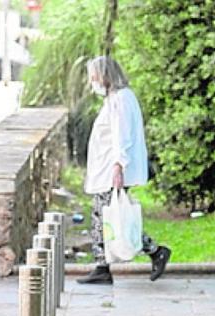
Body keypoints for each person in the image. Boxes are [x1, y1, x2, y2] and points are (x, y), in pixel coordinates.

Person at [78, 56, 171, 285]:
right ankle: (103, 264)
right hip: (107, 170)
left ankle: (152, 251)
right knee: (107, 217)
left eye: (95, 77)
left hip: (113, 170)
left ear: (106, 76)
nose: (93, 82)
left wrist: (119, 166)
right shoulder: (115, 99)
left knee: (113, 218)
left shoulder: (121, 99)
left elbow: (122, 135)